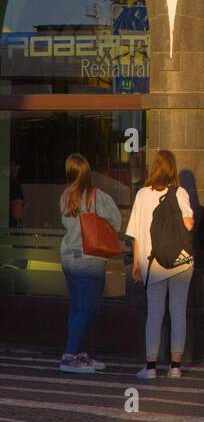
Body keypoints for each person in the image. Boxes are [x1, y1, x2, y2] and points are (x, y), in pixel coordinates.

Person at [126, 149, 195, 380]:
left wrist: (136, 264)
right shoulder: (180, 192)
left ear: (153, 167)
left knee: (154, 314)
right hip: (180, 262)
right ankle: (175, 366)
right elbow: (188, 225)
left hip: (152, 262)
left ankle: (151, 366)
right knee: (178, 313)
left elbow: (135, 233)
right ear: (173, 169)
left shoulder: (142, 194)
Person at [58, 154, 122, 374]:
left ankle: (78, 353)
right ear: (87, 171)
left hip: (68, 257)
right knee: (87, 309)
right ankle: (69, 356)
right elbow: (117, 221)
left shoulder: (65, 196)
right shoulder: (96, 196)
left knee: (77, 308)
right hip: (90, 258)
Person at [9, 159, 25, 229]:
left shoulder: (6, 182)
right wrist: (25, 207)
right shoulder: (14, 183)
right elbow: (17, 215)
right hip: (12, 231)